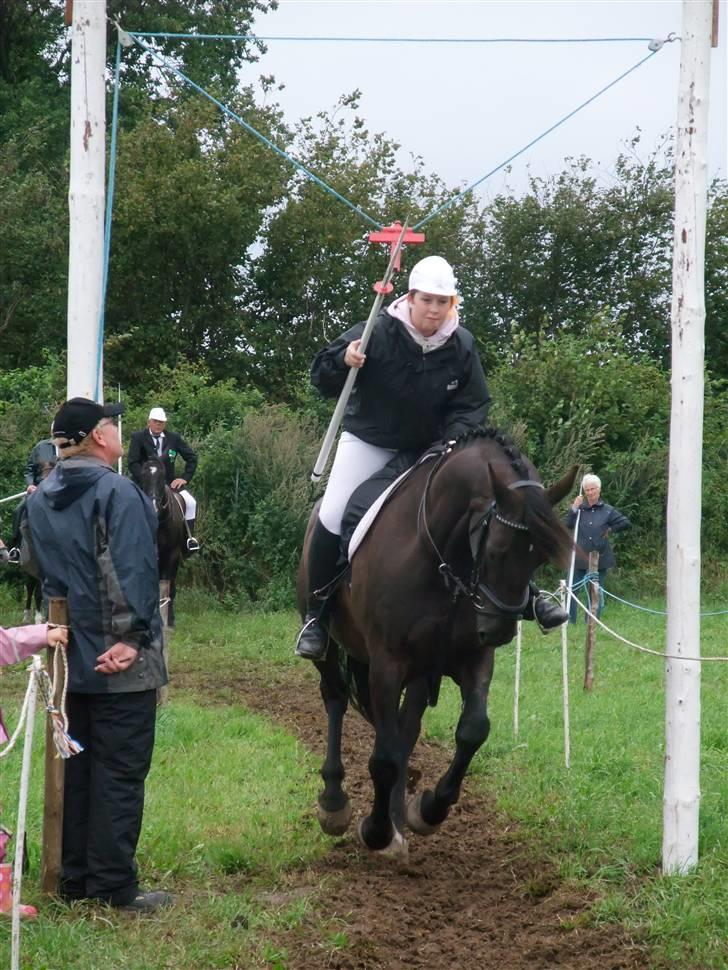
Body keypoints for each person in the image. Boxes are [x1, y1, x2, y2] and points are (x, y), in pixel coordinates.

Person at [295, 255, 568, 661]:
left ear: (452, 303)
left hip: (433, 448)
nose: (435, 310)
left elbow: (473, 404)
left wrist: (451, 443)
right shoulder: (376, 330)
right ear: (411, 297)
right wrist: (343, 360)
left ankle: (527, 595)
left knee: (485, 510)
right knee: (334, 513)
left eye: (444, 302)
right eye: (428, 301)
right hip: (371, 441)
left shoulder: (461, 343)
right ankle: (317, 616)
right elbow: (320, 376)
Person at [23, 396, 173, 912]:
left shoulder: (37, 499)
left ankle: (73, 880)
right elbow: (132, 566)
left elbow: (36, 569)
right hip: (119, 662)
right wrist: (132, 638)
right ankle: (111, 888)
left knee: (77, 768)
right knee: (120, 771)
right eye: (111, 422)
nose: (116, 428)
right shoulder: (119, 491)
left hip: (67, 657)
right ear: (98, 437)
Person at [565, 473, 631, 622]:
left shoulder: (608, 510)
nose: (589, 492)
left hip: (599, 559)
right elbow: (567, 525)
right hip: (579, 557)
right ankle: (569, 622)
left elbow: (625, 522)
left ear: (599, 490)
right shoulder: (579, 509)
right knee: (571, 591)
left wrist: (611, 530)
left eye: (592, 489)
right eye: (587, 490)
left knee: (595, 593)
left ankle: (591, 623)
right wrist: (574, 507)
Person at [127, 407, 199, 543]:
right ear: (149, 422)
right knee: (125, 502)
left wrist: (185, 477)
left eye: (161, 422)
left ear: (165, 423)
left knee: (190, 502)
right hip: (143, 483)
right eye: (156, 421)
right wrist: (147, 479)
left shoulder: (174, 438)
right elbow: (133, 462)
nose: (158, 424)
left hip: (169, 483)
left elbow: (192, 458)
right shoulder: (138, 437)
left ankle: (189, 539)